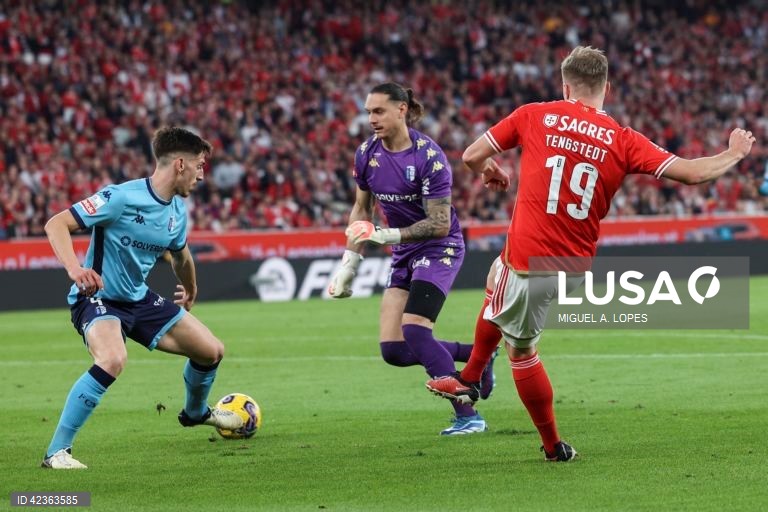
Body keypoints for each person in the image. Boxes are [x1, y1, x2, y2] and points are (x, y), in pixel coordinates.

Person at [426, 46, 756, 460]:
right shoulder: (623, 138)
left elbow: (473, 156)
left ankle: (552, 447)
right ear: (607, 88)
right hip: (573, 262)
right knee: (496, 276)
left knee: (521, 351)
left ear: (565, 86)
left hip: (533, 260)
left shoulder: (535, 114)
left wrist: (492, 170)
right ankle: (471, 376)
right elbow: (692, 173)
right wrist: (734, 153)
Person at [41, 126, 244, 469]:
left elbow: (180, 256)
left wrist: (191, 288)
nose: (201, 174)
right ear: (180, 164)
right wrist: (76, 270)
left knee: (211, 351)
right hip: (98, 298)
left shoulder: (177, 212)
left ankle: (195, 413)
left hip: (139, 299)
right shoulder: (119, 197)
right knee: (112, 359)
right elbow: (56, 224)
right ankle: (56, 452)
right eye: (199, 165)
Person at [327, 82, 498, 435]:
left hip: (440, 248)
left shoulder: (428, 158)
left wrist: (387, 235)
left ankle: (468, 414)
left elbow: (438, 224)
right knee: (394, 349)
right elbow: (362, 208)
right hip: (403, 251)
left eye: (379, 111)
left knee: (415, 330)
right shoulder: (366, 153)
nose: (371, 118)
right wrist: (349, 264)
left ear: (401, 110)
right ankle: (480, 354)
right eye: (368, 112)